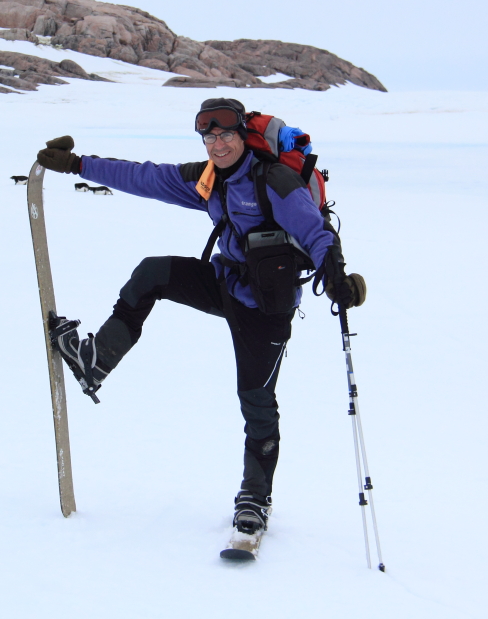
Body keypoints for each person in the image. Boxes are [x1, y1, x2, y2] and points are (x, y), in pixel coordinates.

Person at [35, 97, 365, 536]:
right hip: (225, 283)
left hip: (266, 309)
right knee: (153, 273)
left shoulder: (275, 180)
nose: (217, 144)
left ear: (243, 135)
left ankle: (254, 497)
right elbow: (144, 177)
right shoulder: (210, 179)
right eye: (208, 135)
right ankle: (96, 361)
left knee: (257, 404)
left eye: (226, 134)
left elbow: (315, 232)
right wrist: (78, 165)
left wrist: (337, 277)